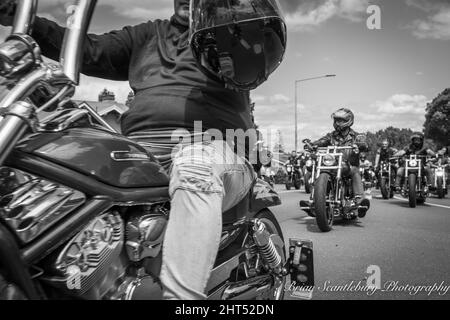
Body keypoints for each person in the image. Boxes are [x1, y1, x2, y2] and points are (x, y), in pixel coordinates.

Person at [0, 0, 286, 300]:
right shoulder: (149, 35)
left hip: (213, 147)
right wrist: (20, 16)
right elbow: (90, 49)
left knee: (196, 162)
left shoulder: (227, 32)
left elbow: (258, 52)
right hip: (141, 153)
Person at [311, 108, 370, 217]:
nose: (338, 123)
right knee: (321, 170)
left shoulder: (356, 136)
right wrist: (313, 144)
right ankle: (317, 200)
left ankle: (360, 201)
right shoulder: (331, 136)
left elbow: (365, 145)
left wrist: (360, 145)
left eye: (341, 120)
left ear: (348, 121)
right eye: (336, 120)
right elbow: (322, 141)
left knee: (354, 171)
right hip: (333, 164)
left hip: (349, 165)